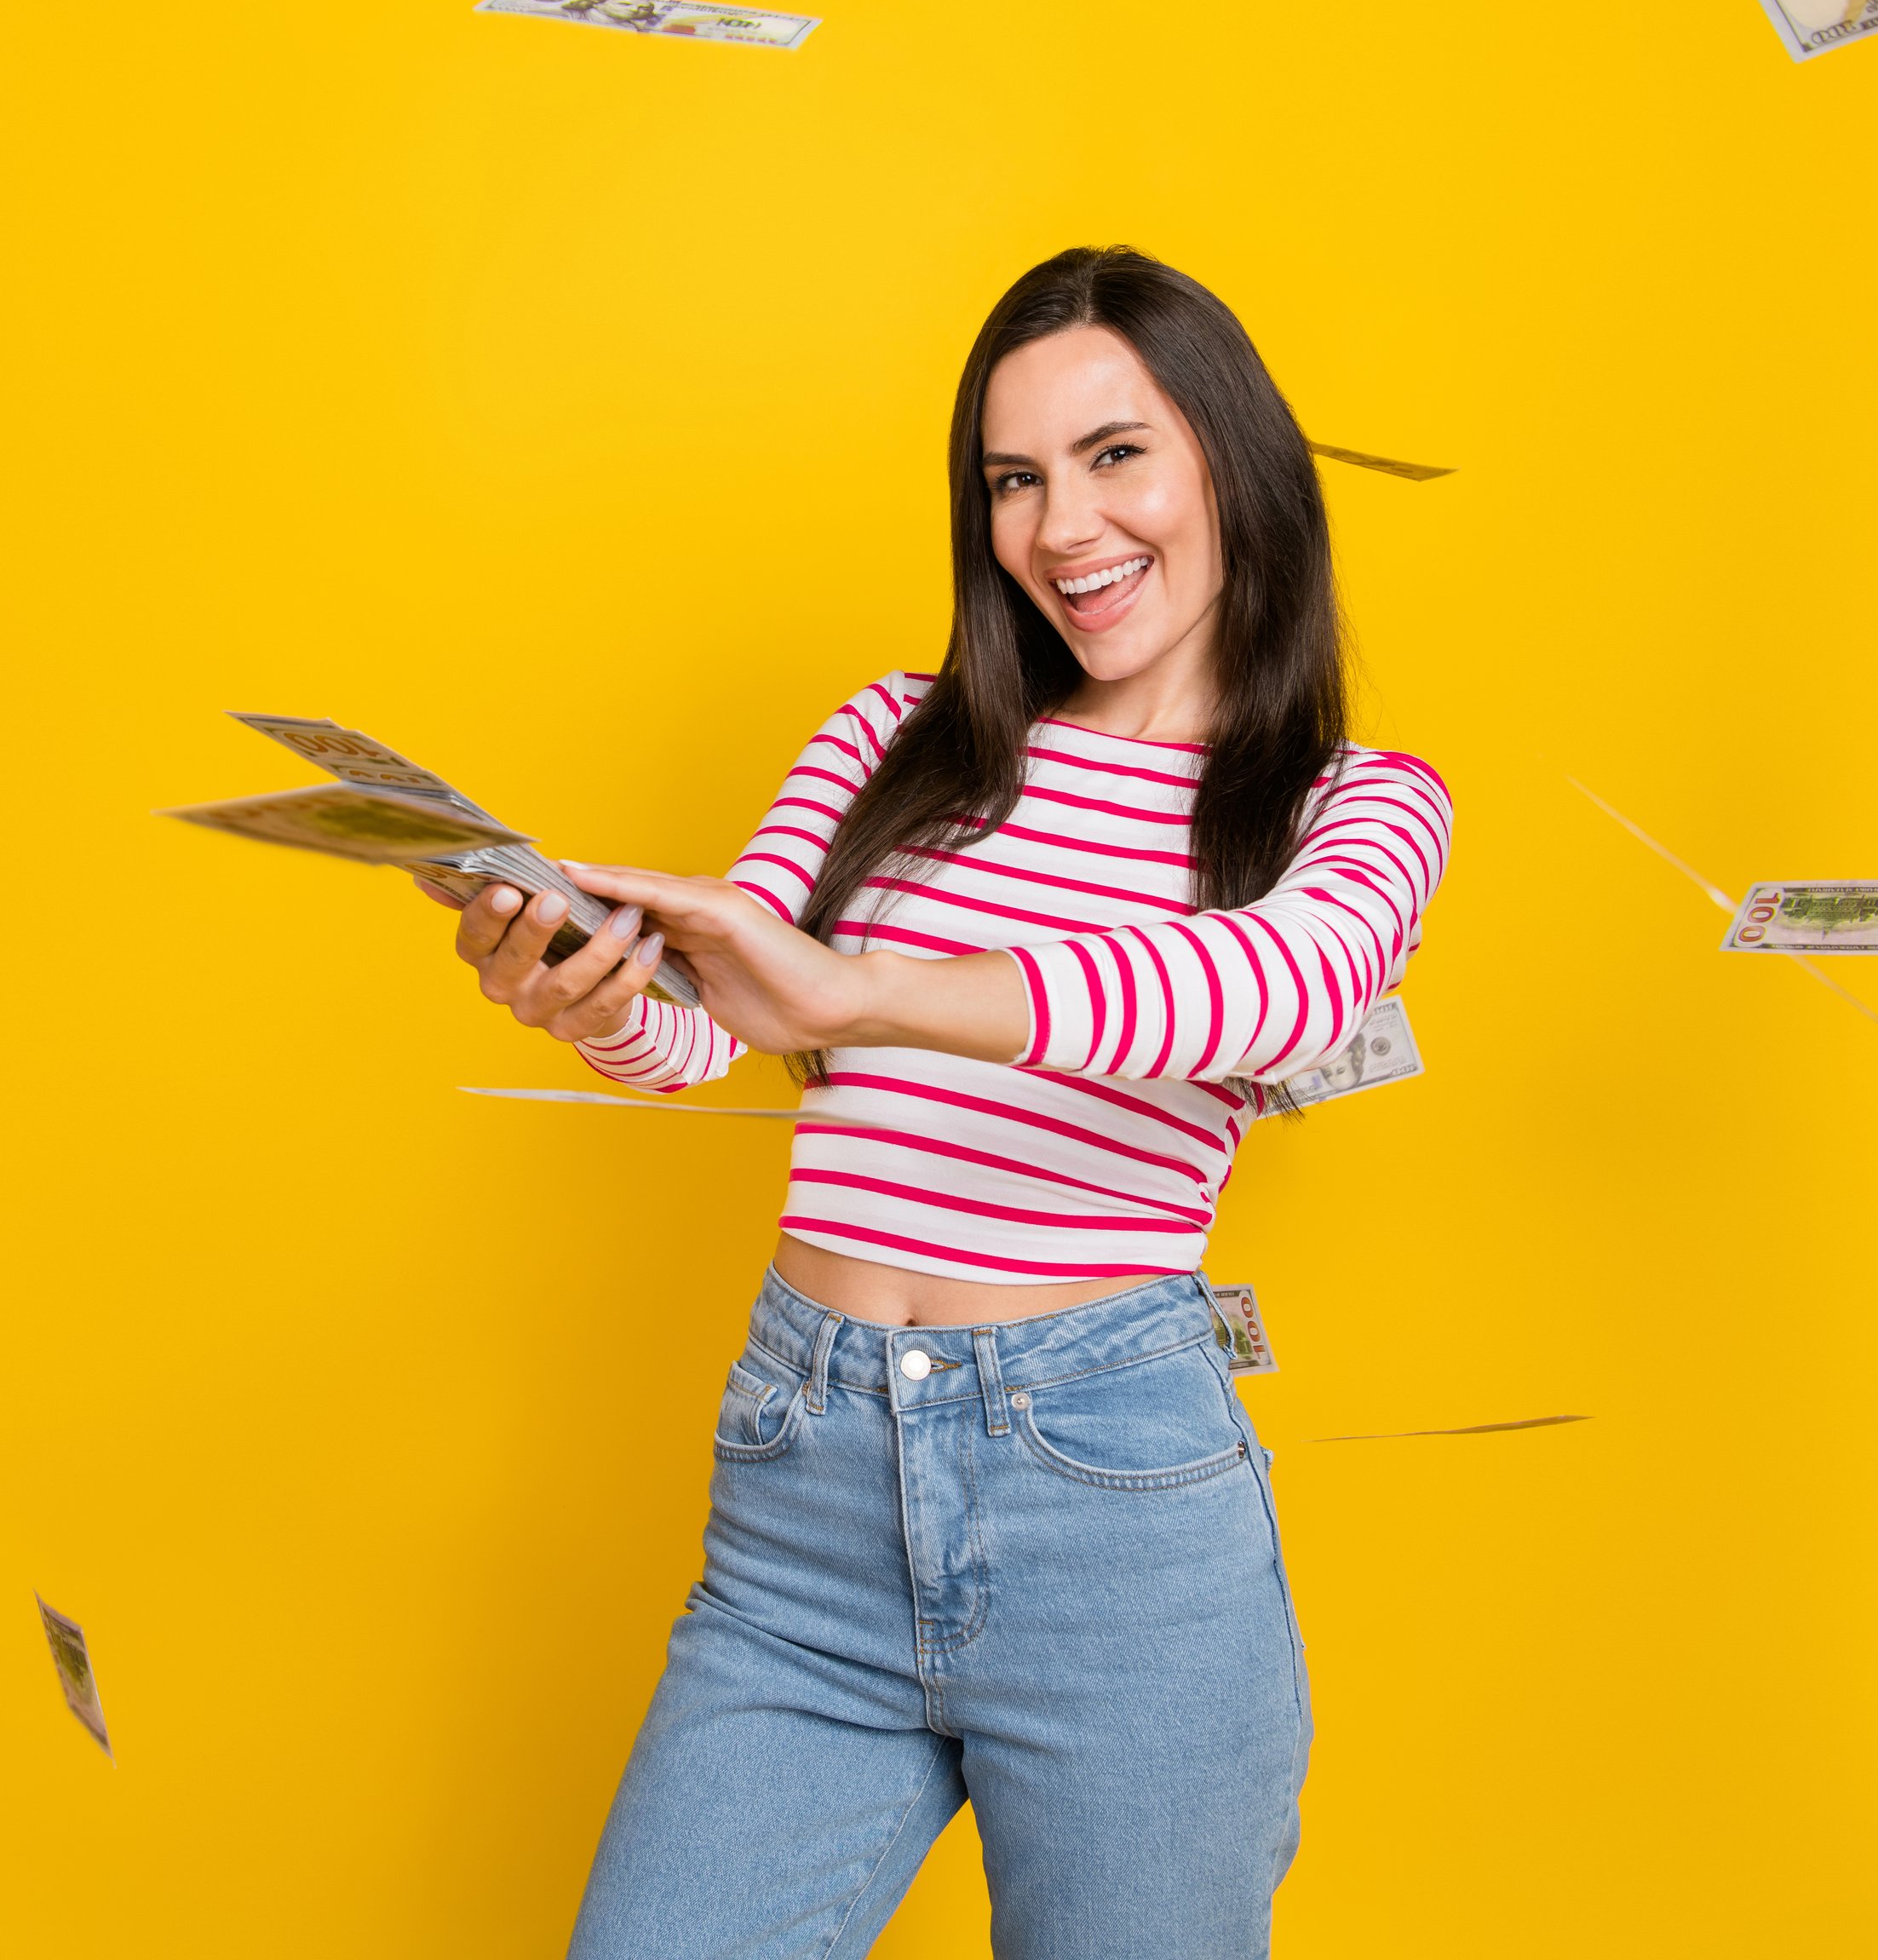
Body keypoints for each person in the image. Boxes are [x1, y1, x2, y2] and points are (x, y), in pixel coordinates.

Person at [429, 246, 1452, 1958]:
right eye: (1015, 477)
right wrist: (590, 993)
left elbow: (1271, 990)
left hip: (1113, 1503)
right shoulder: (892, 737)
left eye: (1117, 453)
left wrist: (871, 992)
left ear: (1233, 461)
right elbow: (719, 1027)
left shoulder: (1351, 805)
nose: (1063, 526)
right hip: (805, 1480)